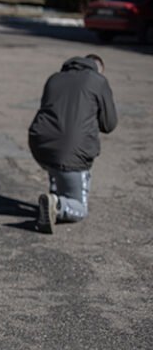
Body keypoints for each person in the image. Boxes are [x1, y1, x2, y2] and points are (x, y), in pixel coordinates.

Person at [28, 55, 117, 234]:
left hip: (40, 144)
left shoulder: (54, 78)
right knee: (80, 208)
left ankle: (54, 197)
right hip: (71, 152)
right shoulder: (98, 81)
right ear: (98, 69)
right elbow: (109, 124)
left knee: (57, 156)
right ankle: (58, 205)